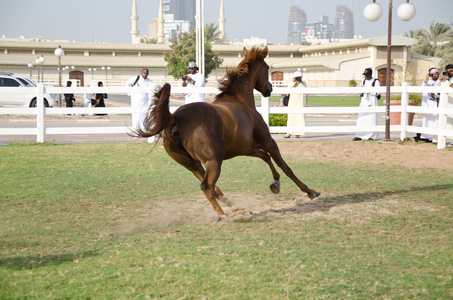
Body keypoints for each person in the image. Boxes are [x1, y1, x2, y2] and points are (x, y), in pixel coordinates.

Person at [353, 68, 380, 141]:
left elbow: (377, 92)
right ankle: (359, 135)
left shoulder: (376, 81)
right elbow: (361, 90)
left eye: (367, 75)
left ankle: (372, 136)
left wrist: (367, 89)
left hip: (372, 102)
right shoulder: (363, 80)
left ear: (371, 74)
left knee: (371, 119)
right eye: (365, 75)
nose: (366, 77)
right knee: (361, 119)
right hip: (364, 102)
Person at [416, 68, 440, 142]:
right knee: (427, 120)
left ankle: (434, 137)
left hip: (435, 103)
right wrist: (426, 80)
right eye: (432, 74)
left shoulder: (440, 82)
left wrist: (434, 94)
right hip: (428, 103)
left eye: (436, 73)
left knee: (435, 120)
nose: (434, 75)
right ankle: (426, 136)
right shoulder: (428, 82)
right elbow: (422, 89)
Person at [284, 69, 307, 138]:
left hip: (300, 103)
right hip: (292, 102)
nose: (298, 78)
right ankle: (289, 133)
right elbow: (289, 89)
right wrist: (294, 82)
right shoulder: (291, 83)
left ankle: (298, 133)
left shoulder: (303, 83)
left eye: (299, 77)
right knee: (291, 118)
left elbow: (305, 89)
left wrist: (299, 82)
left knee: (300, 118)